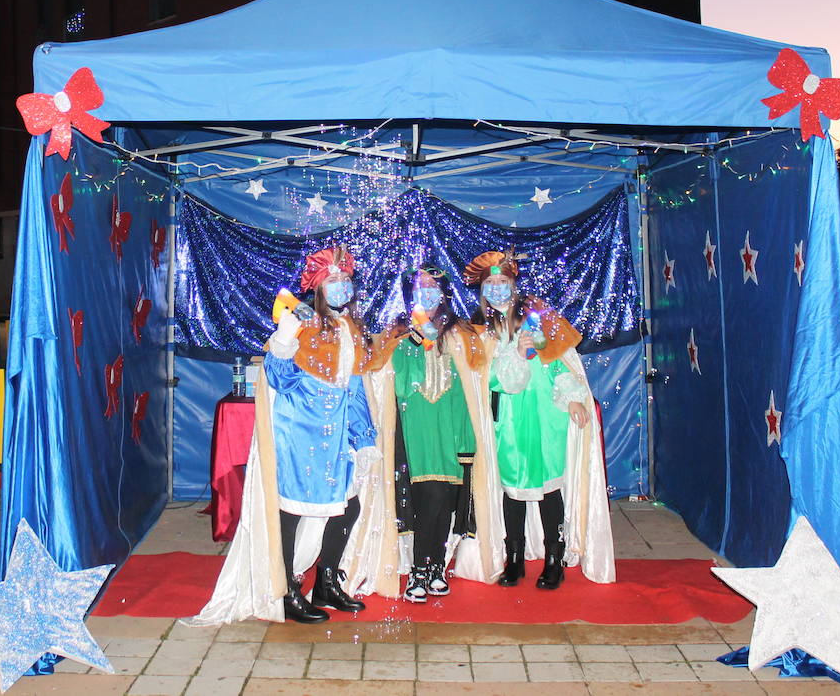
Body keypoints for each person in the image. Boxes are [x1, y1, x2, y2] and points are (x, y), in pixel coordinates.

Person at [189, 246, 399, 625]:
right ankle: (286, 590)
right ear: (318, 287)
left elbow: (351, 389)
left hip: (336, 437)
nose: (340, 287)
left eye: (345, 280)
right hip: (299, 432)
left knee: (347, 506)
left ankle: (327, 582)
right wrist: (285, 339)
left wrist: (364, 437)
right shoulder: (302, 326)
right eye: (332, 281)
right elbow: (280, 379)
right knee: (293, 512)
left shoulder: (351, 328)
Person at [464, 250, 615, 589]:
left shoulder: (538, 315)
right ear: (482, 289)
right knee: (512, 486)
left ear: (514, 284)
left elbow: (558, 360)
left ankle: (553, 558)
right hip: (509, 419)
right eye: (491, 283)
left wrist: (575, 399)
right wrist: (515, 355)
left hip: (547, 413)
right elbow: (486, 380)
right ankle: (513, 559)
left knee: (549, 485)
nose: (498, 288)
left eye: (503, 282)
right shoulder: (478, 329)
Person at [390, 266, 504, 601]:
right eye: (420, 287)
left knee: (445, 502)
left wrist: (468, 438)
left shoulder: (461, 333)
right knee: (426, 501)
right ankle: (420, 569)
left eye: (432, 286)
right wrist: (417, 340)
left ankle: (435, 566)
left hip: (451, 432)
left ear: (444, 292)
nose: (426, 292)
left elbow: (472, 389)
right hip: (417, 433)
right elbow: (400, 387)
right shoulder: (401, 334)